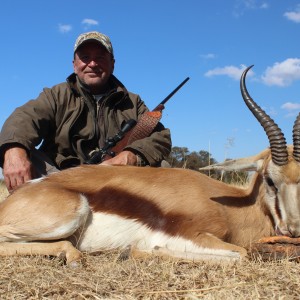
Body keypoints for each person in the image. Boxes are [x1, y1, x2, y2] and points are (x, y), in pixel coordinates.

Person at [0, 31, 171, 192]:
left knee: (163, 166)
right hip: (60, 181)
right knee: (23, 153)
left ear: (112, 63)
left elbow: (160, 137)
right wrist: (13, 151)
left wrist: (131, 156)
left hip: (116, 179)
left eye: (100, 57)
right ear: (74, 65)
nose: (93, 63)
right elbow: (24, 117)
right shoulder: (55, 95)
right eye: (85, 58)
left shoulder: (133, 102)